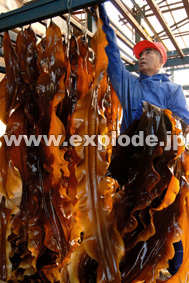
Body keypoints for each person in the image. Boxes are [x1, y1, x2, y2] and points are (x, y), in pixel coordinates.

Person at [97, 2, 189, 277]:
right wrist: (102, 17)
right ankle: (131, 271)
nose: (141, 56)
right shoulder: (130, 86)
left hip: (164, 172)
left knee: (166, 222)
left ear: (161, 60)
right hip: (132, 169)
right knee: (129, 220)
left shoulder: (172, 90)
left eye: (148, 52)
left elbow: (184, 122)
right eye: (139, 53)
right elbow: (112, 57)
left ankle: (172, 272)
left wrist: (162, 125)